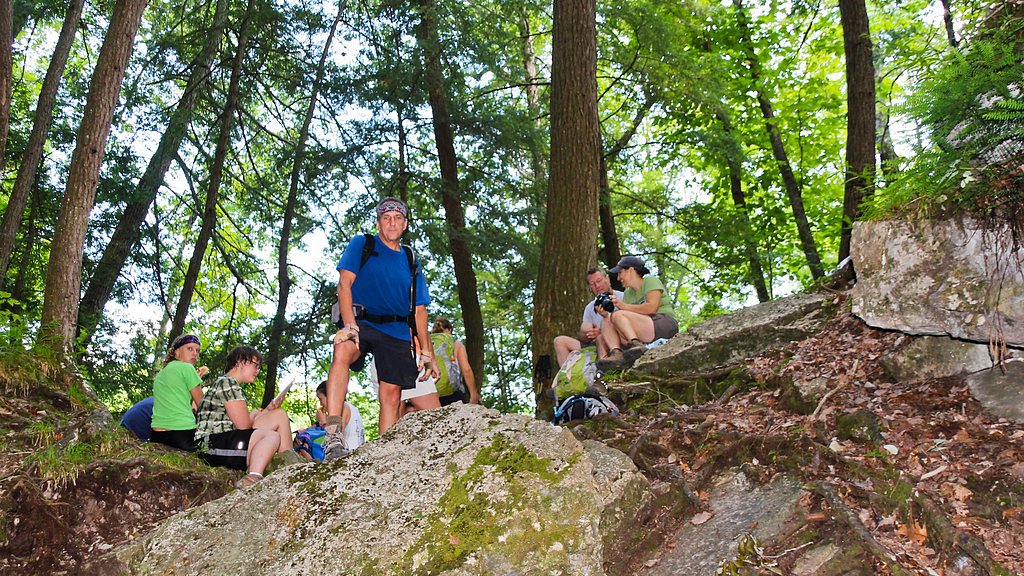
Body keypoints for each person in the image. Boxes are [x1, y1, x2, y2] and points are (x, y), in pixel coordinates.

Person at [323, 197, 438, 460]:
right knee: (342, 351)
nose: (392, 223)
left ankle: (385, 454)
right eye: (386, 218)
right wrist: (349, 325)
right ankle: (333, 434)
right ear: (379, 223)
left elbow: (420, 309)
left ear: (405, 224)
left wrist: (427, 353)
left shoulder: (410, 258)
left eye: (397, 218)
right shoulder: (363, 244)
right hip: (360, 321)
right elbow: (344, 284)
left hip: (396, 329)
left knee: (392, 392)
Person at [194, 346, 294, 489]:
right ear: (240, 362)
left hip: (225, 438)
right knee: (271, 437)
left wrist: (268, 410)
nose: (257, 371)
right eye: (255, 365)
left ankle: (288, 464)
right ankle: (253, 477)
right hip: (211, 445)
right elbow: (243, 425)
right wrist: (253, 413)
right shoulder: (228, 383)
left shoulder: (227, 383)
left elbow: (239, 425)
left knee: (279, 415)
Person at [597, 255, 679, 371]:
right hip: (644, 329)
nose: (619, 278)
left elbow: (652, 308)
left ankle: (636, 345)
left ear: (631, 270)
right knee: (606, 322)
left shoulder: (650, 281)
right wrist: (606, 316)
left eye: (620, 273)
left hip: (663, 324)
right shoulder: (627, 293)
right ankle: (616, 353)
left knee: (618, 315)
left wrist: (623, 306)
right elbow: (621, 322)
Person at [552, 267, 624, 367]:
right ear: (590, 288)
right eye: (592, 284)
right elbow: (582, 337)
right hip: (593, 344)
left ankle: (604, 369)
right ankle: (567, 379)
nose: (597, 285)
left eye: (599, 281)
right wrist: (587, 334)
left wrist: (602, 331)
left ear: (607, 279)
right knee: (559, 341)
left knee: (600, 337)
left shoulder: (622, 298)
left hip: (615, 340)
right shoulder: (590, 308)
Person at [150, 334, 209, 451]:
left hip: (156, 434)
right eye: (190, 349)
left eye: (197, 351)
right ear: (176, 352)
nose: (195, 354)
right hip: (181, 433)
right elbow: (203, 405)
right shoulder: (187, 368)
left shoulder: (162, 373)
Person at [430, 318, 480, 406]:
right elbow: (466, 369)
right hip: (452, 394)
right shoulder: (456, 344)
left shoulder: (425, 343)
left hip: (428, 393)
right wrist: (473, 393)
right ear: (449, 330)